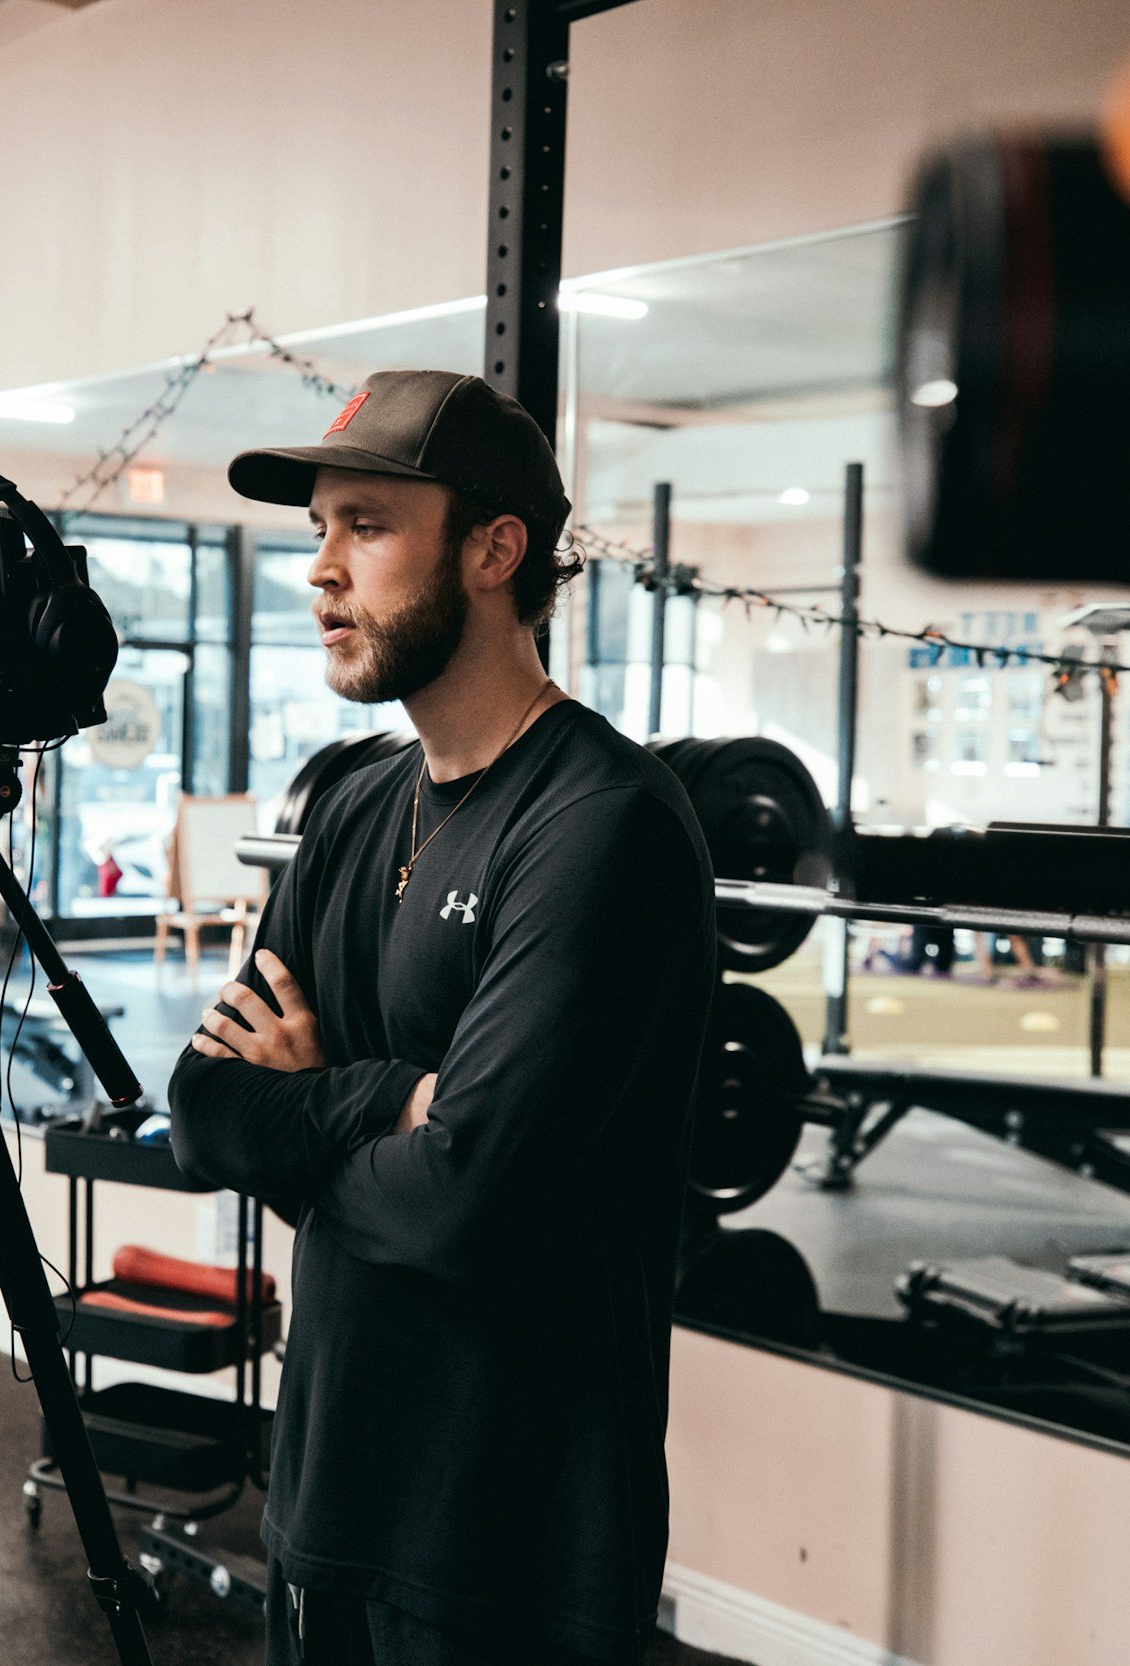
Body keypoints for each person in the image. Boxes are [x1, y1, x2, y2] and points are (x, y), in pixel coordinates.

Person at [167, 370, 717, 1665]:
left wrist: (318, 1114)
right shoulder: (357, 801)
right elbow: (203, 1112)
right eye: (318, 531)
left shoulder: (603, 824)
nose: (319, 571)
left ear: (493, 548)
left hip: (512, 1543)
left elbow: (466, 1197)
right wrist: (384, 1099)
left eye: (364, 525)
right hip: (325, 1494)